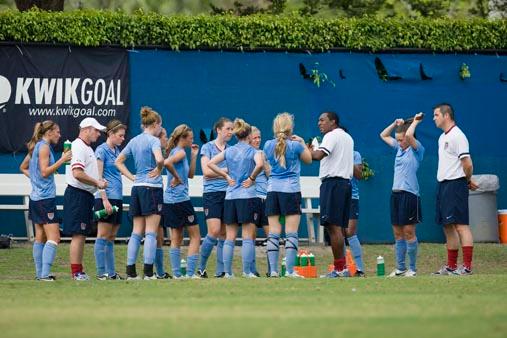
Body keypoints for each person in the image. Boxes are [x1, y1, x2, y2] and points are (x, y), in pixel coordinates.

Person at [207, 119, 264, 278]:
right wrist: (252, 178)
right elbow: (259, 165)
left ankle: (227, 273)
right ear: (249, 135)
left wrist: (225, 175)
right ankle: (247, 272)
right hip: (247, 196)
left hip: (230, 196)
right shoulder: (254, 152)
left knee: (229, 237)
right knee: (247, 236)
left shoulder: (229, 151)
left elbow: (211, 163)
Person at [115, 107, 164, 280]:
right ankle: (149, 273)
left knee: (136, 231)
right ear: (156, 124)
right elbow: (159, 159)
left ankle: (130, 272)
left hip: (137, 188)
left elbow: (118, 161)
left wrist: (132, 177)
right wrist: (159, 169)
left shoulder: (134, 141)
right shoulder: (154, 140)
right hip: (152, 188)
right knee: (151, 232)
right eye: (160, 126)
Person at [20, 121, 72, 281]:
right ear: (48, 132)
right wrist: (62, 160)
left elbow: (23, 167)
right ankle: (43, 275)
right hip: (44, 200)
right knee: (54, 238)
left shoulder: (36, 147)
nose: (59, 135)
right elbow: (44, 172)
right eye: (57, 131)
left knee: (40, 237)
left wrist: (35, 180)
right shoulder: (43, 148)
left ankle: (40, 274)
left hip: (36, 198)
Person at [264, 112, 312, 278]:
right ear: (290, 128)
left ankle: (273, 271)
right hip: (290, 191)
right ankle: (290, 271)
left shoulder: (268, 145)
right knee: (291, 232)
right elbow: (309, 159)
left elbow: (267, 164)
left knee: (273, 232)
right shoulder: (296, 145)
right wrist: (303, 143)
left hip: (272, 191)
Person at [432, 103, 477, 276]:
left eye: (436, 115)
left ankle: (466, 267)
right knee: (447, 226)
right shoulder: (442, 138)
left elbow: (467, 163)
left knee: (461, 226)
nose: (434, 118)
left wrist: (466, 180)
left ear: (446, 116)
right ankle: (451, 266)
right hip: (443, 185)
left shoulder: (458, 136)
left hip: (456, 185)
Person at [380, 113, 425, 277]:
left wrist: (414, 121)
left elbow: (408, 134)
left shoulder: (417, 149)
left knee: (409, 233)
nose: (399, 142)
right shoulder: (399, 148)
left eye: (402, 140)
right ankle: (400, 268)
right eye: (397, 140)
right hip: (396, 196)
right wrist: (394, 123)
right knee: (398, 234)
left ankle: (412, 269)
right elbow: (383, 135)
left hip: (410, 195)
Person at [63, 117, 107, 281]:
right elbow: (77, 173)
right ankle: (76, 273)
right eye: (96, 130)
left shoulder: (85, 147)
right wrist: (97, 182)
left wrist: (98, 182)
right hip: (78, 195)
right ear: (87, 129)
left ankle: (79, 271)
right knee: (78, 235)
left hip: (84, 195)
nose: (98, 134)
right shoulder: (79, 146)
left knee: (81, 234)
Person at [310, 112, 353, 278]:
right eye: (318, 120)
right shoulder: (347, 137)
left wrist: (304, 148)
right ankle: (342, 268)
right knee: (338, 229)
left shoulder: (331, 136)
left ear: (333, 122)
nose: (319, 123)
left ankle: (340, 269)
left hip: (333, 185)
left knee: (333, 228)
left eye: (322, 120)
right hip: (344, 185)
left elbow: (317, 156)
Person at [162, 124, 201, 279]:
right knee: (195, 237)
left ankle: (177, 275)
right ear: (183, 138)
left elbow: (190, 175)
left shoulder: (180, 153)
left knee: (176, 238)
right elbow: (166, 163)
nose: (192, 140)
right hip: (180, 200)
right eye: (190, 138)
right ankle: (190, 274)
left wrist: (194, 155)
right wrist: (177, 178)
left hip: (170, 201)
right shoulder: (179, 154)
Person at [197, 117, 233, 278]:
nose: (230, 132)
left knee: (224, 234)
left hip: (229, 194)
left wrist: (218, 173)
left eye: (232, 129)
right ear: (218, 130)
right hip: (212, 194)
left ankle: (221, 272)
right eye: (228, 129)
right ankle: (200, 268)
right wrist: (225, 171)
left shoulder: (231, 149)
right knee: (214, 230)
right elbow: (206, 172)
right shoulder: (207, 147)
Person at [93, 119, 127, 280]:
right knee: (102, 236)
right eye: (120, 135)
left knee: (111, 237)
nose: (122, 138)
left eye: (123, 136)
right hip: (106, 199)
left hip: (117, 198)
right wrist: (104, 199)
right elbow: (98, 177)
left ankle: (111, 273)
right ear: (111, 134)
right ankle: (101, 273)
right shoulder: (101, 150)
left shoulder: (117, 151)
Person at [250, 126, 271, 276]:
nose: (257, 140)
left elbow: (271, 175)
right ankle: (251, 270)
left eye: (259, 137)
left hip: (266, 199)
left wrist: (264, 163)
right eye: (254, 138)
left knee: (272, 235)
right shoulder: (245, 154)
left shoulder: (264, 154)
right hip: (251, 199)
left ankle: (272, 270)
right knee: (250, 237)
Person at [155, 127, 172, 279]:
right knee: (152, 235)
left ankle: (159, 272)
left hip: (159, 194)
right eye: (165, 136)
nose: (166, 139)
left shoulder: (162, 152)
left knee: (159, 236)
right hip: (151, 195)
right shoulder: (153, 152)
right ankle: (152, 271)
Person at [345, 149, 365, 277]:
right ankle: (342, 269)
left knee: (350, 232)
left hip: (352, 197)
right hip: (336, 197)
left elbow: (359, 175)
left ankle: (360, 269)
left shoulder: (355, 154)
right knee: (339, 233)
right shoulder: (330, 151)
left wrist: (347, 160)